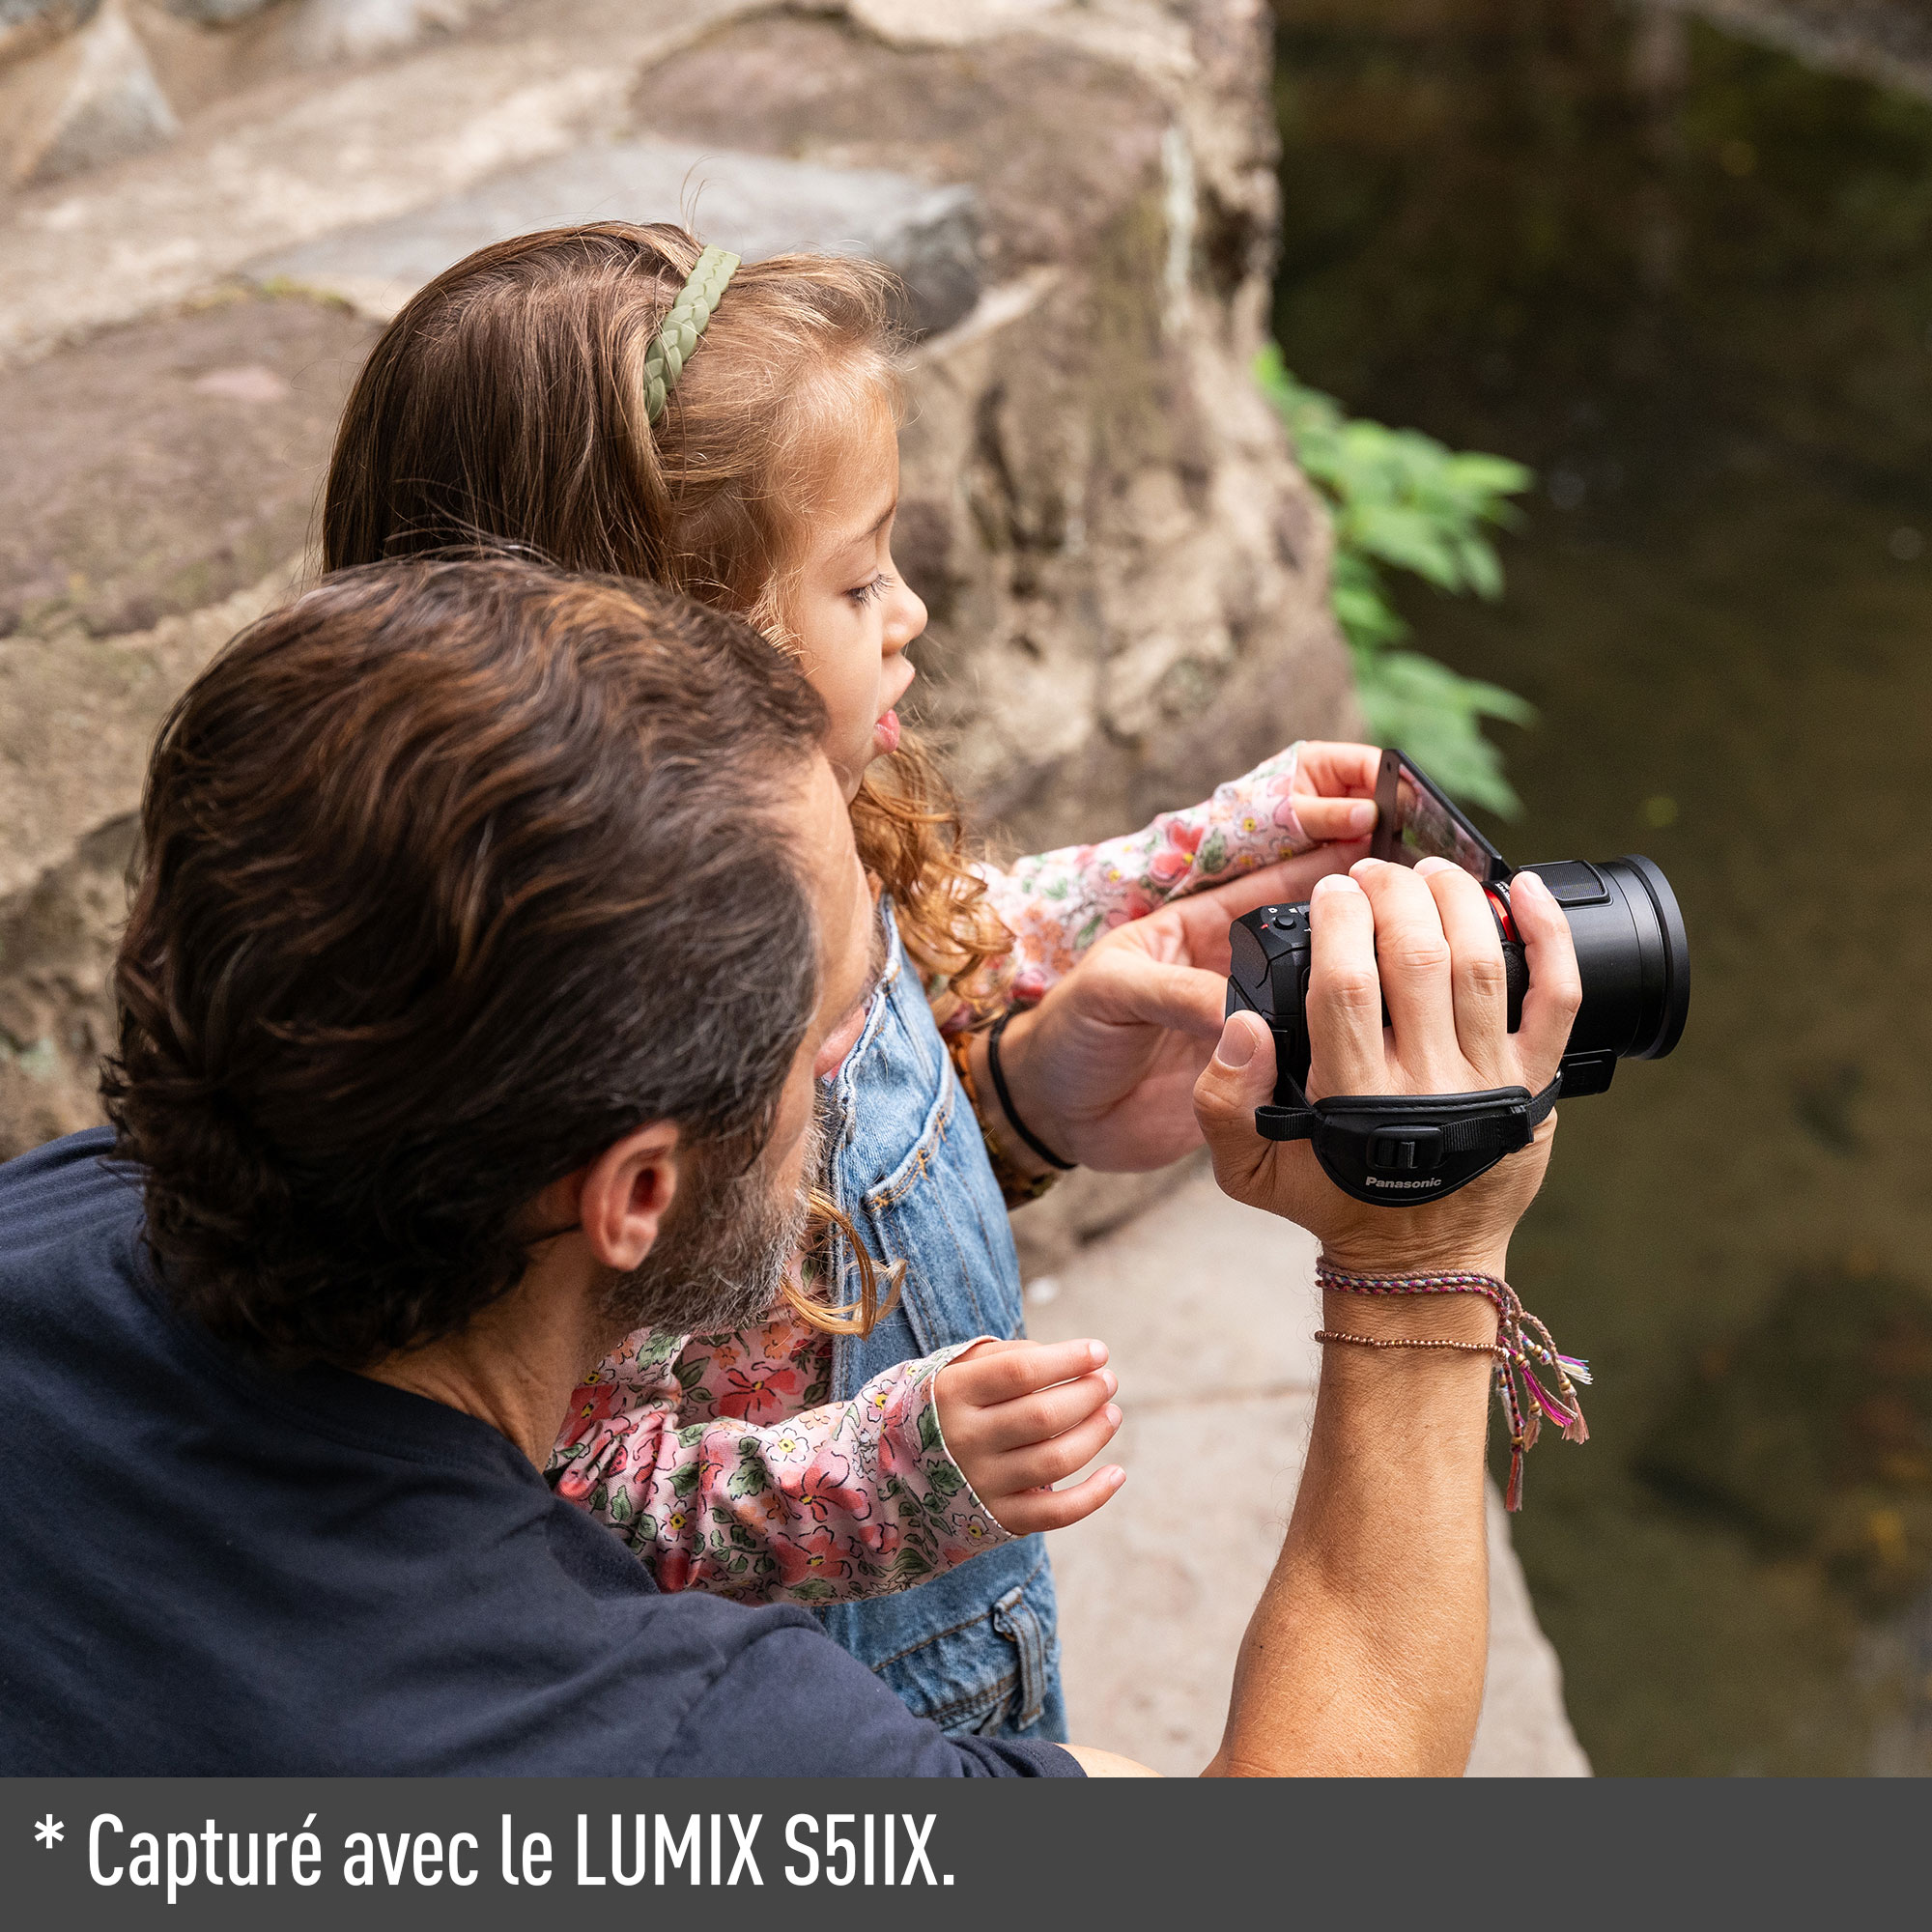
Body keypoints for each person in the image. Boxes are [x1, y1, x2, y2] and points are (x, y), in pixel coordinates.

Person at [0, 555, 1582, 1776]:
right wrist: (1422, 1255)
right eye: (838, 1041)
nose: (859, 1076)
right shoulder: (675, 1755)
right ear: (635, 1196)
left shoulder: (48, 1239)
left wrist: (1011, 1110)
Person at [323, 222, 1384, 1735]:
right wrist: (885, 1479)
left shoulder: (809, 824)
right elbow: (562, 1494)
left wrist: (1186, 861)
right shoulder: (574, 1064)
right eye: (859, 578)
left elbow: (928, 941)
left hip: (968, 1606)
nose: (910, 614)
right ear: (681, 651)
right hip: (834, 1712)